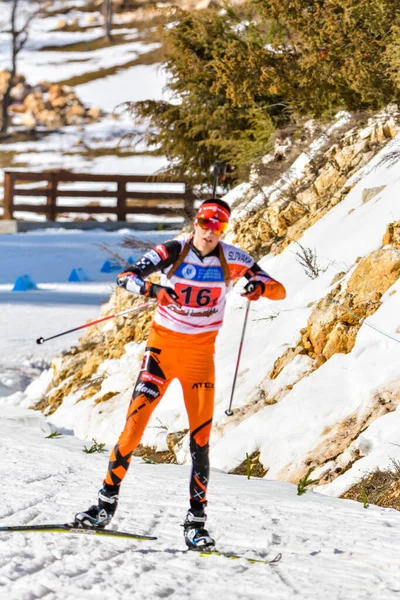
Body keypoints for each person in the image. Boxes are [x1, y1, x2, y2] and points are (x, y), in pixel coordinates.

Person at [75, 198, 286, 549]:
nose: (209, 231)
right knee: (132, 430)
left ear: (224, 229)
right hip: (161, 353)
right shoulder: (172, 250)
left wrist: (258, 287)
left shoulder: (234, 259)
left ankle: (196, 523)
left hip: (199, 359)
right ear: (195, 222)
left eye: (218, 226)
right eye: (205, 222)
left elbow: (278, 289)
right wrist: (152, 289)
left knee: (200, 441)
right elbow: (125, 277)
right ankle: (104, 506)